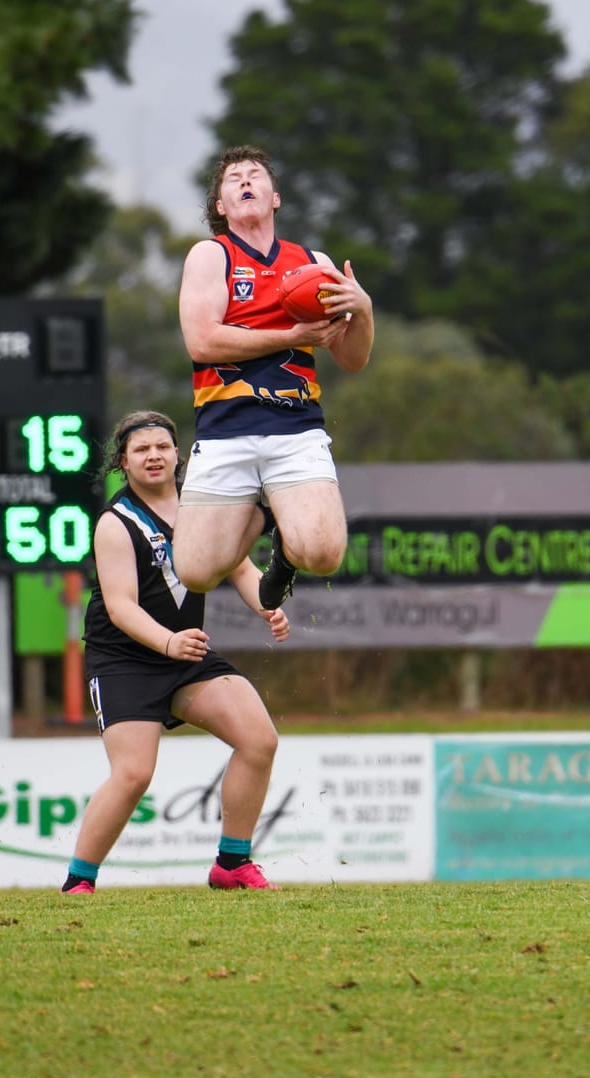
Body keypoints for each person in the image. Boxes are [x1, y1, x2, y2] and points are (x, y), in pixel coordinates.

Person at [63, 410, 291, 895]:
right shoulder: (114, 522)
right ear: (123, 461)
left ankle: (231, 864)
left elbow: (240, 568)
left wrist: (267, 607)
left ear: (177, 454)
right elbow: (121, 606)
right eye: (141, 450)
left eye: (162, 447)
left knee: (259, 740)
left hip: (184, 656)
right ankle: (78, 882)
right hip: (124, 660)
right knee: (133, 774)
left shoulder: (203, 509)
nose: (153, 456)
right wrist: (168, 641)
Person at [172, 144, 373, 612]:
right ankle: (266, 511)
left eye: (255, 175)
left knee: (323, 555)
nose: (245, 181)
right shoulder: (210, 255)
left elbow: (352, 358)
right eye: (233, 178)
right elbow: (202, 342)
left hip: (296, 428)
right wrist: (292, 335)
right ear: (221, 207)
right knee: (196, 572)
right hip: (225, 429)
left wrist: (362, 311)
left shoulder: (313, 262)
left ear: (275, 197)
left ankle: (285, 547)